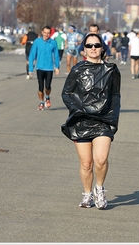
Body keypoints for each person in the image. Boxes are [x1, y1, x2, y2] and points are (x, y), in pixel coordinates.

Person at [61, 33, 121, 210]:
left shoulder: (111, 70)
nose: (93, 48)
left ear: (103, 48)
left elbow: (115, 96)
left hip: (103, 120)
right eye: (89, 46)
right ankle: (87, 194)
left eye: (96, 45)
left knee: (101, 160)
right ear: (84, 49)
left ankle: (99, 189)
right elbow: (67, 93)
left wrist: (111, 118)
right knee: (86, 163)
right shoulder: (77, 70)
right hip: (82, 120)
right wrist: (80, 109)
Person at [28, 26, 60, 111]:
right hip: (40, 67)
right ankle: (41, 102)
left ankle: (47, 97)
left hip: (49, 68)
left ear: (50, 33)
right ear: (42, 32)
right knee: (40, 87)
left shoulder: (53, 43)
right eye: (45, 32)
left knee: (48, 86)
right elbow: (32, 55)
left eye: (48, 33)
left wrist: (57, 67)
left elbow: (56, 55)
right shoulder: (37, 42)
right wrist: (30, 69)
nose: (46, 34)